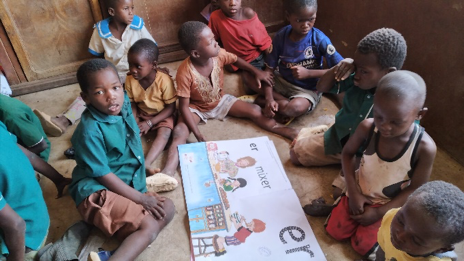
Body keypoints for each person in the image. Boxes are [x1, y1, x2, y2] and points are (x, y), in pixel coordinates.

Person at [156, 21, 298, 179]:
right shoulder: (184, 72)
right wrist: (197, 134)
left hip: (220, 101)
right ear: (196, 53)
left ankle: (287, 131)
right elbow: (183, 107)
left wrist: (256, 72)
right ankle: (167, 172)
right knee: (180, 131)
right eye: (211, 42)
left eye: (214, 38)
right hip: (196, 108)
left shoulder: (219, 54)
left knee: (255, 110)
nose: (216, 43)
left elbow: (236, 59)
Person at [291, 28, 407, 214]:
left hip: (364, 157)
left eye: (364, 70)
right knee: (295, 155)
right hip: (339, 139)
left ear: (387, 73)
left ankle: (345, 174)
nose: (358, 74)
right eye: (357, 67)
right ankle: (331, 144)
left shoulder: (399, 102)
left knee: (340, 194)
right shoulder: (356, 78)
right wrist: (343, 65)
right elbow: (322, 86)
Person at [69, 59, 175, 261]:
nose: (111, 97)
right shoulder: (89, 131)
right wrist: (141, 199)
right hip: (95, 190)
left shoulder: (123, 103)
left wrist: (141, 175)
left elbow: (130, 145)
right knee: (150, 225)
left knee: (167, 208)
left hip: (124, 182)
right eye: (100, 92)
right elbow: (102, 175)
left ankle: (112, 255)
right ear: (86, 98)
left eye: (115, 87)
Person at [325, 70, 437, 259]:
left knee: (363, 247)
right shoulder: (368, 127)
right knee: (335, 231)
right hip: (358, 191)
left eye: (396, 121)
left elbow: (416, 189)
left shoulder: (424, 148)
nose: (385, 126)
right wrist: (353, 193)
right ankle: (341, 199)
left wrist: (380, 213)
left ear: (420, 114)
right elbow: (347, 154)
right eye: (379, 116)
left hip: (388, 203)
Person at [35, 0, 157, 140]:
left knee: (123, 101)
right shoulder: (100, 31)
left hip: (137, 74)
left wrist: (154, 69)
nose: (131, 12)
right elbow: (97, 57)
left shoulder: (138, 25)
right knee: (94, 95)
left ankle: (112, 129)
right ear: (112, 12)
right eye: (126, 8)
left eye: (132, 8)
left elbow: (151, 49)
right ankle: (64, 120)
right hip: (114, 75)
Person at [262, 0, 343, 123]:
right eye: (299, 20)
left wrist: (309, 73)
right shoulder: (280, 37)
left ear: (315, 14)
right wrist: (269, 99)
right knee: (251, 78)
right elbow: (269, 70)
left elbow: (339, 69)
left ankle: (272, 101)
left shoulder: (320, 40)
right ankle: (274, 101)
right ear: (288, 16)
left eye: (311, 19)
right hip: (283, 81)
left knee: (295, 108)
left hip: (308, 89)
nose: (306, 25)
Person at [125, 38, 178, 191]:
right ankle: (131, 164)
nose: (133, 69)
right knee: (129, 130)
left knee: (165, 133)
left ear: (153, 65)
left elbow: (171, 108)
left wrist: (150, 123)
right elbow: (133, 103)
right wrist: (134, 120)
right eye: (130, 65)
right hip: (142, 112)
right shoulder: (130, 79)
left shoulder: (164, 80)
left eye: (138, 66)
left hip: (162, 114)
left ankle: (146, 164)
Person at [376, 181, 464, 261]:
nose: (399, 236)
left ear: (441, 249)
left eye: (415, 240)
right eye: (400, 222)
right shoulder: (392, 216)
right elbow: (383, 248)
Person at [0, 121, 50, 260]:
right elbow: (30, 156)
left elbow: (16, 224)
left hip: (23, 244)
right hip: (39, 221)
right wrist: (58, 179)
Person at [208, 0, 272, 94]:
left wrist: (270, 66)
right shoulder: (215, 17)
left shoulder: (247, 14)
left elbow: (264, 41)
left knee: (274, 76)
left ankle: (275, 99)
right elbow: (212, 39)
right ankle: (274, 99)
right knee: (249, 83)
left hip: (258, 55)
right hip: (241, 61)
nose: (233, 3)